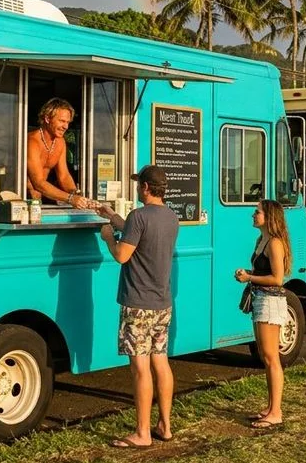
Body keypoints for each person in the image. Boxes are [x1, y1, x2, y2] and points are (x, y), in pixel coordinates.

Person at [96, 165, 179, 448]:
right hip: (162, 303)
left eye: (138, 184)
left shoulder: (139, 216)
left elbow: (122, 255)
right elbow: (142, 234)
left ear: (145, 187)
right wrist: (113, 217)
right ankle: (165, 426)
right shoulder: (171, 217)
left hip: (137, 305)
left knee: (140, 369)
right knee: (161, 362)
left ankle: (142, 433)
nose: (136, 188)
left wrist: (108, 237)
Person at [234, 199, 292, 429]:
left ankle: (276, 411)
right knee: (264, 356)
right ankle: (270, 406)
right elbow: (264, 271)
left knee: (271, 357)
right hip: (261, 299)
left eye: (257, 212)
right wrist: (249, 273)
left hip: (271, 301)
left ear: (269, 217)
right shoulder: (262, 240)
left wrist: (249, 278)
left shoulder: (275, 243)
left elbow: (277, 279)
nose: (253, 215)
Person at [27, 97, 92, 208]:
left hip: (39, 202)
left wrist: (77, 195)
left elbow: (64, 176)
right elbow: (38, 183)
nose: (65, 126)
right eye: (62, 121)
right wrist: (70, 199)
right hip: (21, 200)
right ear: (47, 119)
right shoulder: (32, 141)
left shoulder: (60, 142)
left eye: (67, 122)